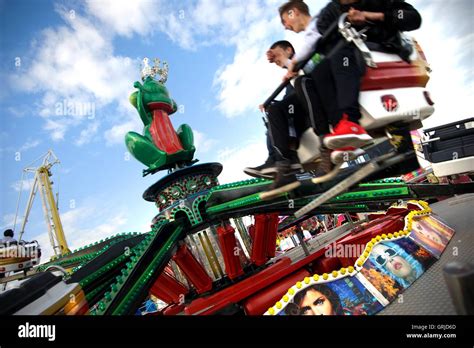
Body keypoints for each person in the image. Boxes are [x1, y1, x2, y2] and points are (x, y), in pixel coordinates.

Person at [279, 0, 422, 162]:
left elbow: (413, 19)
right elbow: (316, 42)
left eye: (285, 20)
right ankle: (343, 133)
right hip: (350, 56)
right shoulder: (331, 10)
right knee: (321, 70)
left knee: (340, 55)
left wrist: (372, 16)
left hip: (383, 47)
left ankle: (351, 122)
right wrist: (290, 64)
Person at [244, 40, 314, 180]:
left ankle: (282, 160)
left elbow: (311, 71)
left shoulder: (306, 60)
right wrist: (270, 103)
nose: (276, 60)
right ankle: (277, 161)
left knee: (277, 111)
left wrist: (288, 63)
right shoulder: (290, 82)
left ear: (288, 50)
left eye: (278, 55)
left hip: (312, 106)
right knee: (272, 115)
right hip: (298, 113)